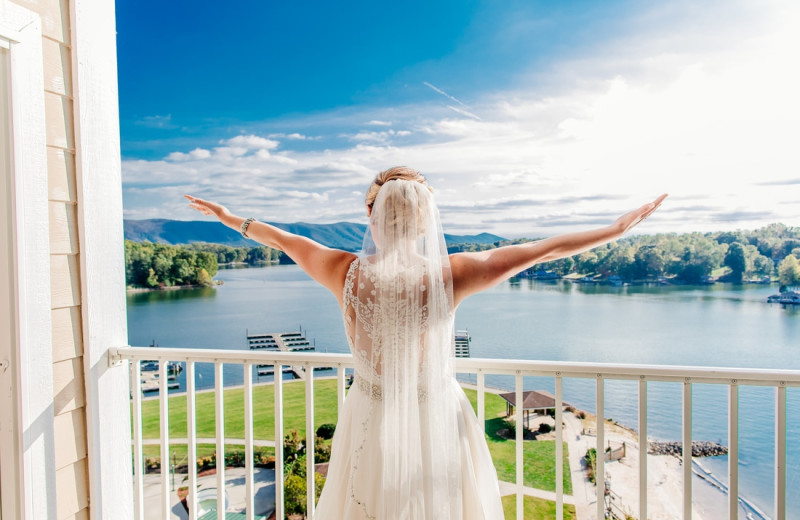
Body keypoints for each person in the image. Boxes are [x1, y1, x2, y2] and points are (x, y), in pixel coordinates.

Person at [186, 167, 666, 520]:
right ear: (424, 221)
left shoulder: (341, 269)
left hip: (369, 411)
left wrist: (231, 219)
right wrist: (615, 228)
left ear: (369, 215)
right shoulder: (451, 273)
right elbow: (543, 248)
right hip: (437, 410)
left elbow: (282, 239)